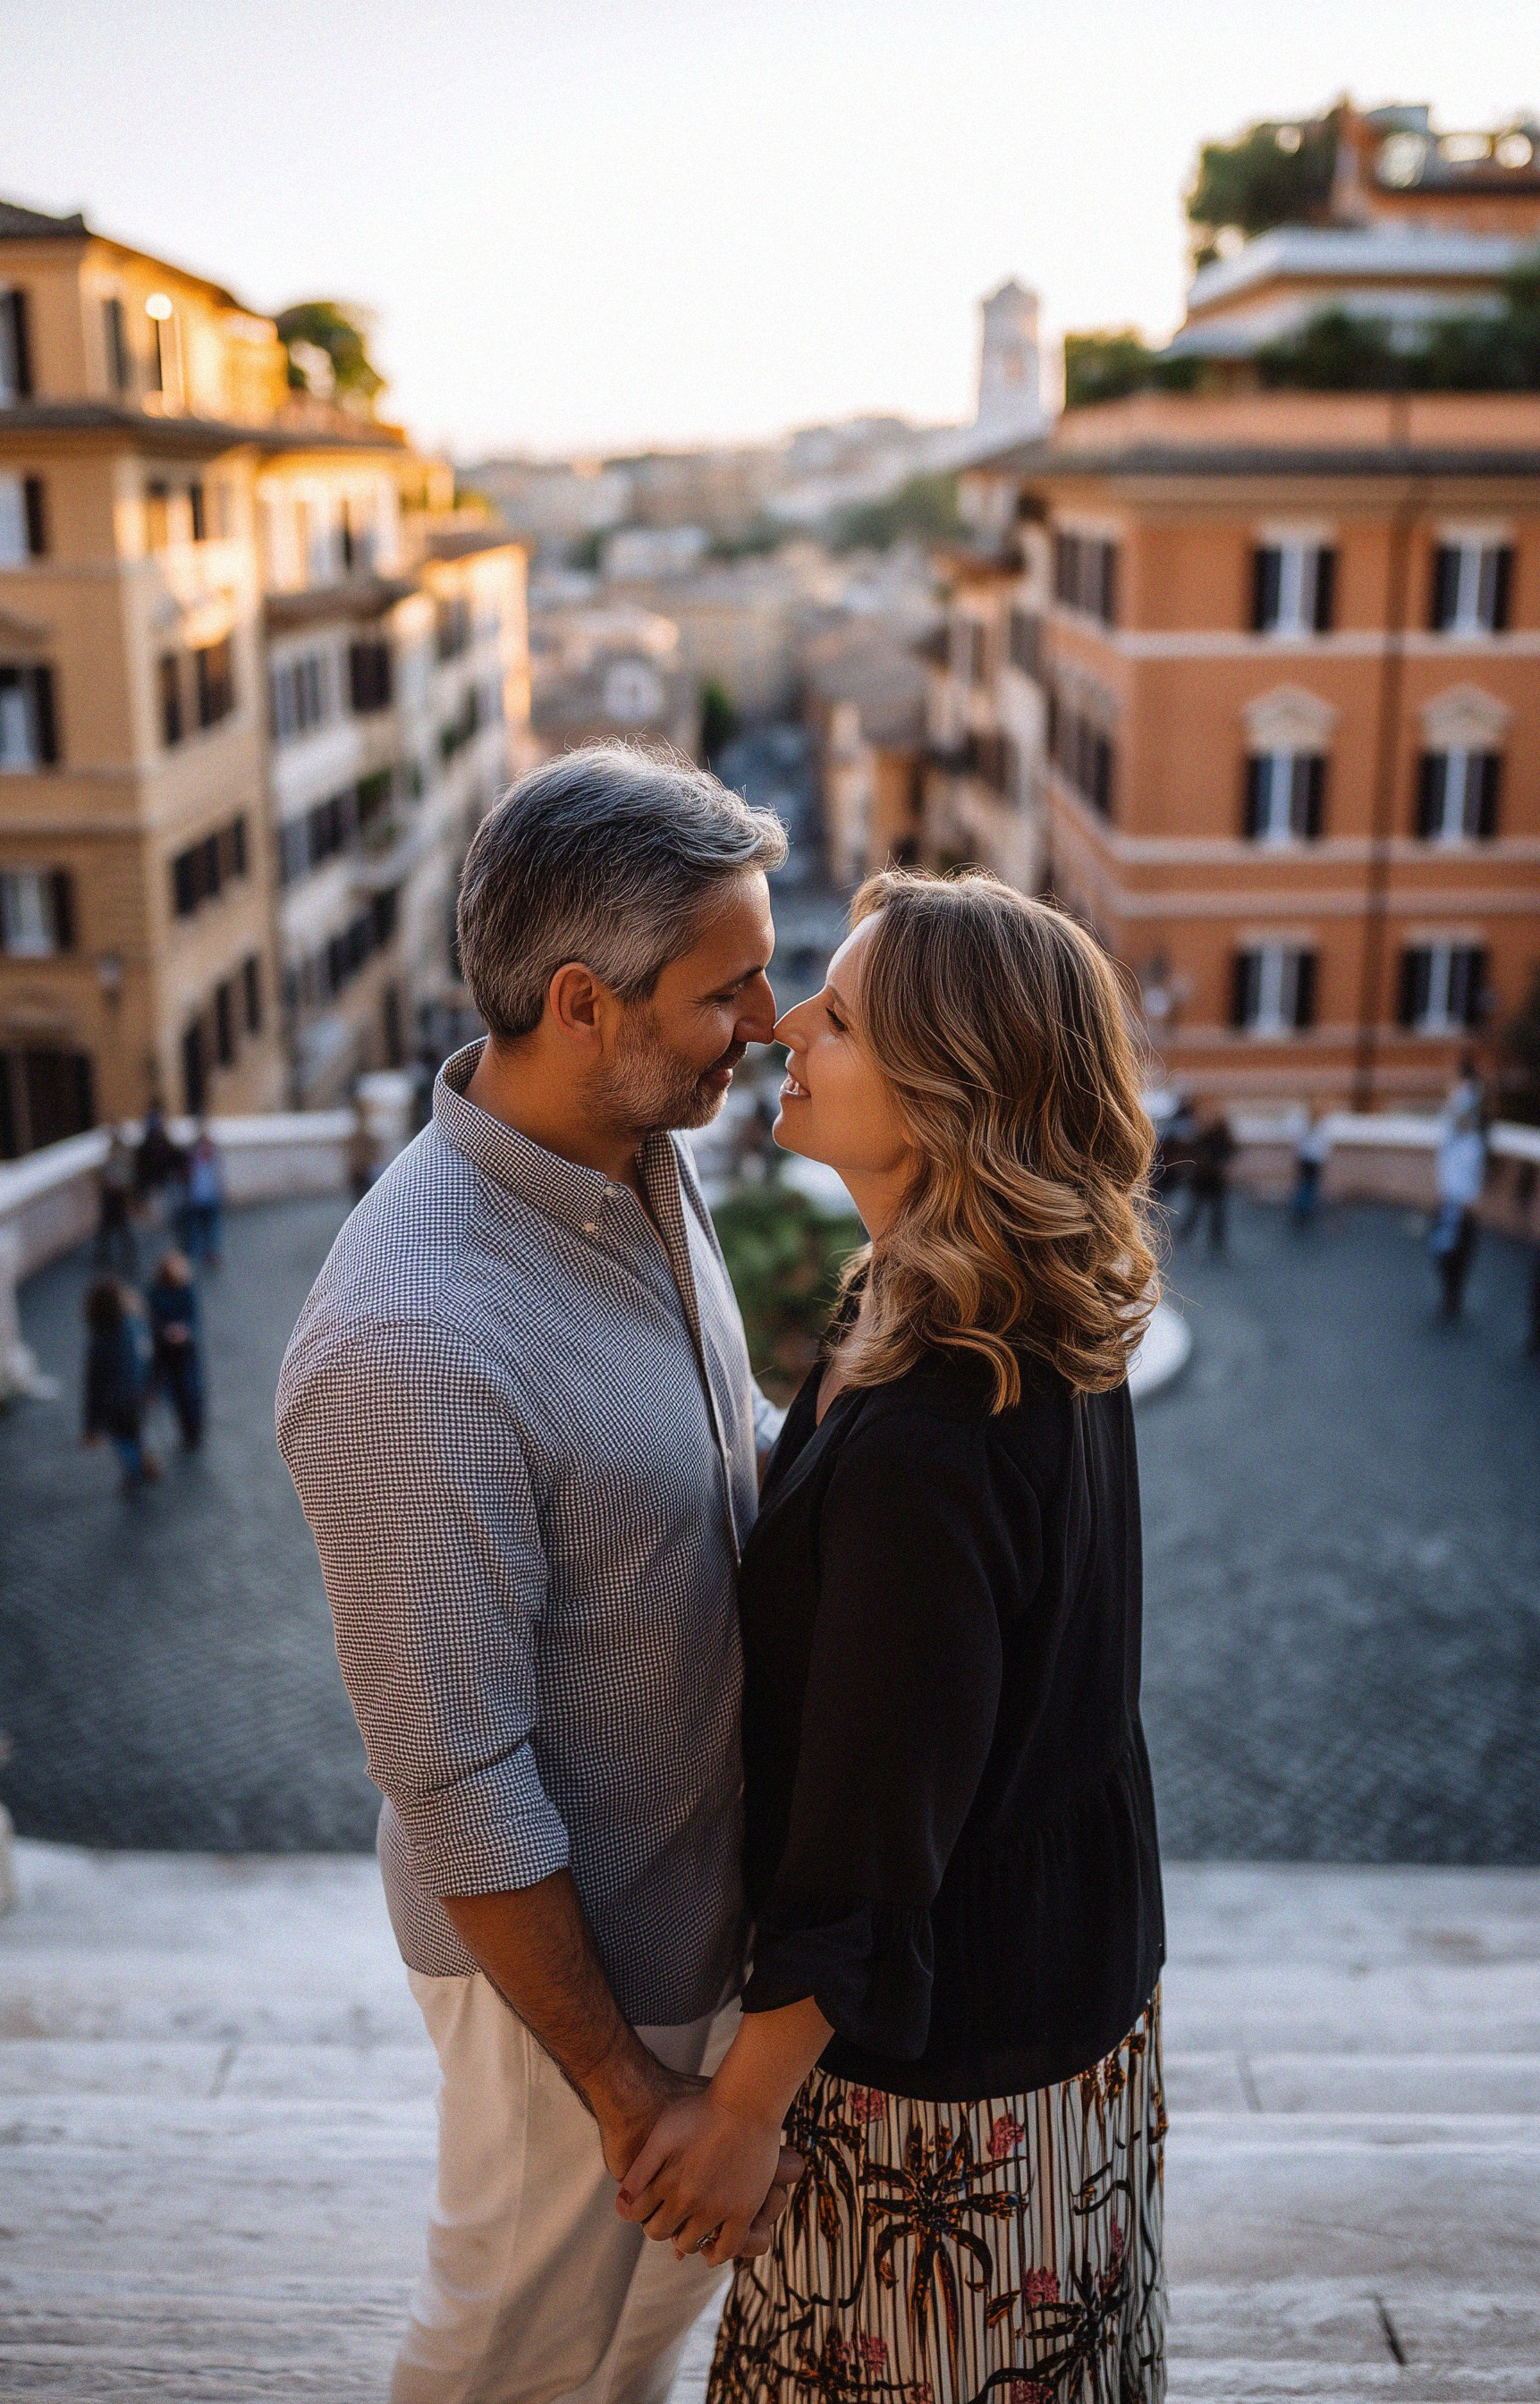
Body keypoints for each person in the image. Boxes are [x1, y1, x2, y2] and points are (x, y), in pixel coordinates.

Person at [276, 747, 800, 2404]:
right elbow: (453, 1771)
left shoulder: (638, 1151)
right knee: (510, 2356)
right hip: (571, 2001)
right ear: (586, 1000)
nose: (771, 1017)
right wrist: (622, 2088)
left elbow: (722, 1445)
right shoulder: (408, 1340)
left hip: (698, 1939)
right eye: (731, 988)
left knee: (630, 2343)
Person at [616, 870, 1167, 2400]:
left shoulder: (936, 1419)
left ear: (948, 1087)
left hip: (949, 2074)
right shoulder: (982, 1303)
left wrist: (736, 2115)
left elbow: (871, 1829)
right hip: (1068, 1988)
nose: (785, 1021)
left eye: (839, 1016)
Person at [80, 1274, 157, 1489]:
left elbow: (94, 1385)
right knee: (139, 1429)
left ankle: (134, 1471)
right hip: (138, 1393)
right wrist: (151, 1386)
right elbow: (147, 1357)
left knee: (123, 1440)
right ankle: (146, 1457)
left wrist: (91, 1426)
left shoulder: (99, 1340)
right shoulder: (135, 1326)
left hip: (115, 1404)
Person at [1430, 1072, 1487, 1322]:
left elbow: (1472, 1177)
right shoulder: (1450, 1139)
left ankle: (1453, 1296)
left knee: (1459, 1257)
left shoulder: (1473, 1144)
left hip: (1463, 1211)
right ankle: (1448, 1294)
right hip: (1448, 1207)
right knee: (1442, 1254)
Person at [147, 1249, 205, 1449]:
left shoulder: (186, 1289)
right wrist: (166, 1332)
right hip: (166, 1352)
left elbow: (192, 1317)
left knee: (192, 1390)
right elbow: (153, 1320)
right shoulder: (155, 1291)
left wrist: (185, 1332)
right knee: (177, 1392)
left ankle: (195, 1430)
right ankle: (187, 1430)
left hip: (186, 1350)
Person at [1178, 1110, 1236, 1254]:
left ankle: (1211, 1240)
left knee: (1207, 1212)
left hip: (1211, 1180)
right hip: (1206, 1180)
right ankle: (1190, 1235)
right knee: (1200, 1211)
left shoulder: (1214, 1139)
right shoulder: (1206, 1138)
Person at [93, 1132, 139, 1275]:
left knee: (119, 1231)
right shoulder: (116, 1161)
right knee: (111, 1231)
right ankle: (108, 1257)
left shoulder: (121, 1161)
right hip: (113, 1200)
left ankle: (124, 1259)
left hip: (117, 1200)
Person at [182, 1129, 224, 1268]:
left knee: (211, 1228)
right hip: (197, 1199)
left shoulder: (213, 1159)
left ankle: (211, 1253)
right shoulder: (194, 1159)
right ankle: (199, 1255)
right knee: (198, 1228)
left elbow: (218, 1179)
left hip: (210, 1198)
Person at [1289, 1101, 1329, 1232]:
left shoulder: (1305, 1127)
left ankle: (1301, 1210)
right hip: (1313, 1161)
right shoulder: (1320, 1128)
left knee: (1304, 1185)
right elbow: (1323, 1147)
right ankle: (1305, 1211)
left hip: (1305, 1160)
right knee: (1309, 1186)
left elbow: (1299, 1144)